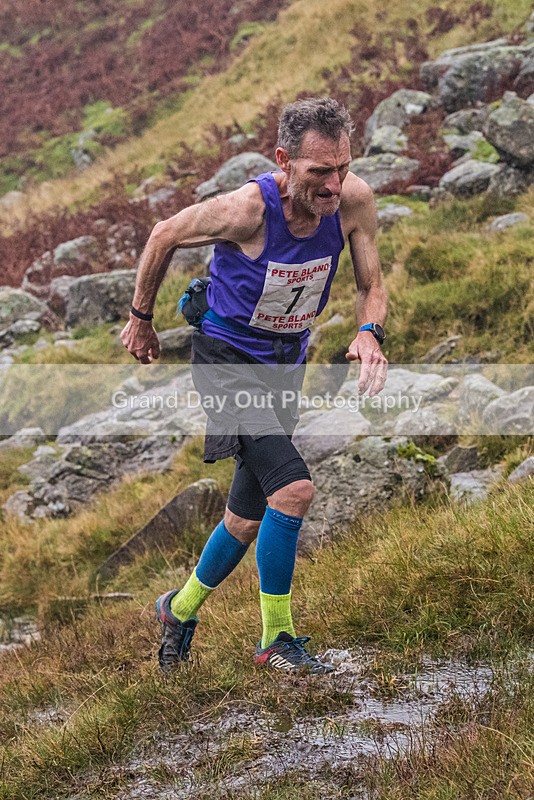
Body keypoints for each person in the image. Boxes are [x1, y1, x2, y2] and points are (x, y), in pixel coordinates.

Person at [121, 97, 388, 675]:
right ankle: (277, 640)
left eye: (343, 167)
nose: (335, 184)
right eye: (320, 171)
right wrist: (141, 318)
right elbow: (164, 234)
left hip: (284, 365)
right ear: (284, 161)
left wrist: (370, 331)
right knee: (293, 490)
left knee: (247, 515)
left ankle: (178, 609)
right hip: (226, 362)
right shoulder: (247, 209)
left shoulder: (353, 201)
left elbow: (372, 282)